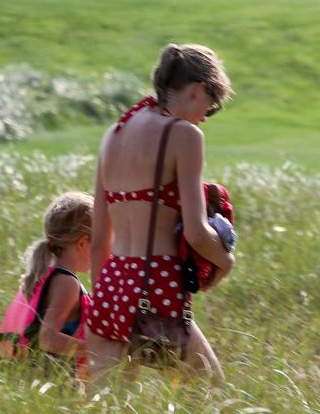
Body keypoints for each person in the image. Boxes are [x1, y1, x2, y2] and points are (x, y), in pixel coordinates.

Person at [86, 43, 235, 385]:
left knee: (105, 409)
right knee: (209, 385)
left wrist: (103, 304)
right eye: (209, 108)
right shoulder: (183, 135)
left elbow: (98, 241)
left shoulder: (114, 133)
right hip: (155, 284)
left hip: (112, 283)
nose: (203, 118)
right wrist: (225, 262)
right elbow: (197, 233)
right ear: (198, 90)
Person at [0, 192, 93, 372]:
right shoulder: (67, 284)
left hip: (22, 377)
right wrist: (96, 351)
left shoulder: (43, 275)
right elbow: (47, 339)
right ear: (83, 243)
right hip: (50, 384)